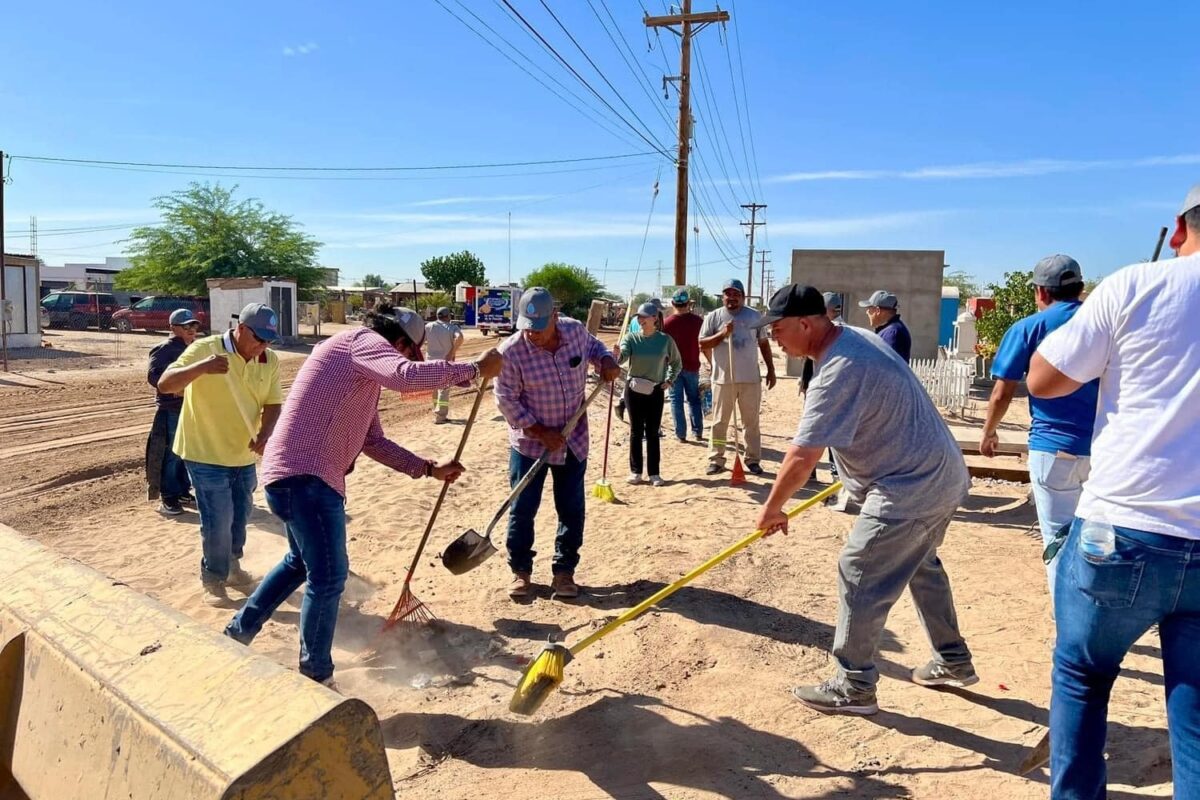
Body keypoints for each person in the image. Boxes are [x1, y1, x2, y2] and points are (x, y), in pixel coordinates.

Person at [1027, 184, 1200, 799]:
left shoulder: (1134, 285)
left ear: (1178, 230)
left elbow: (1044, 379)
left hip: (1125, 527)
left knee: (1082, 674)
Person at [225, 307, 503, 687]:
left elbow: (373, 441)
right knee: (328, 578)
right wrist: (473, 369)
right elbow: (405, 378)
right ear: (400, 342)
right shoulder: (361, 342)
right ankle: (316, 675)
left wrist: (428, 468)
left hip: (291, 476)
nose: (407, 360)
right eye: (409, 352)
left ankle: (238, 632)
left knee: (298, 563)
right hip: (307, 478)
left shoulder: (358, 371)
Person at [755, 283, 975, 715]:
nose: (772, 338)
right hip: (941, 476)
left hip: (910, 487)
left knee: (858, 569)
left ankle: (853, 685)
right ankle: (953, 660)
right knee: (919, 565)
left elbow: (802, 456)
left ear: (805, 323)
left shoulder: (839, 368)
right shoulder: (855, 337)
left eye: (777, 329)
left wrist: (772, 506)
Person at [981, 254, 1098, 609]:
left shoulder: (1029, 328)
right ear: (1079, 287)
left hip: (1053, 446)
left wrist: (989, 432)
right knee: (1096, 539)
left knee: (1059, 538)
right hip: (1103, 447)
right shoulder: (1104, 325)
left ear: (1041, 292)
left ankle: (1069, 623)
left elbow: (1002, 391)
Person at [494, 287, 621, 600]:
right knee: (522, 509)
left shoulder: (575, 332)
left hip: (573, 440)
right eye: (527, 327)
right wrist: (539, 431)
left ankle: (564, 572)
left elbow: (596, 348)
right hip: (529, 445)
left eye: (539, 328)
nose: (532, 335)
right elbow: (505, 400)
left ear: (554, 316)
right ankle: (521, 573)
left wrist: (605, 362)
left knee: (571, 509)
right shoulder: (510, 352)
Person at [157, 303, 284, 604]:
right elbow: (165, 384)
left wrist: (265, 434)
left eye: (269, 340)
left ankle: (232, 565)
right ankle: (213, 576)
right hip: (204, 452)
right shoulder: (206, 349)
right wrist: (202, 368)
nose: (262, 346)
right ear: (240, 328)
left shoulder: (269, 359)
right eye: (258, 338)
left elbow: (274, 403)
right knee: (218, 519)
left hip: (243, 454)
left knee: (240, 518)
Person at [699, 278, 776, 476]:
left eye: (736, 294)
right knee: (719, 423)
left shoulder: (754, 316)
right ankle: (716, 458)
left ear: (742, 296)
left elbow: (764, 344)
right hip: (723, 379)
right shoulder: (714, 317)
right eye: (728, 294)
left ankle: (752, 459)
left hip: (750, 379)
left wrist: (771, 369)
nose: (732, 298)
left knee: (751, 423)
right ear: (723, 296)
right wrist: (722, 334)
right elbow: (703, 344)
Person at [145, 308, 201, 516]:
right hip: (171, 410)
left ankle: (182, 491)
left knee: (185, 452)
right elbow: (154, 377)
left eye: (194, 325)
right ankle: (168, 496)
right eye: (186, 326)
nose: (191, 330)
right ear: (172, 328)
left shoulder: (194, 349)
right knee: (171, 453)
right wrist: (175, 389)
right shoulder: (164, 350)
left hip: (190, 408)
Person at [618, 302, 682, 486]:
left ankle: (654, 473)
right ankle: (636, 472)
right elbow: (622, 357)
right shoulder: (631, 338)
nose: (641, 319)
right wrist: (616, 355)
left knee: (653, 432)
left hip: (655, 390)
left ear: (655, 318)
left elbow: (677, 363)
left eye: (645, 316)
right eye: (639, 316)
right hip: (634, 389)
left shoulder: (665, 340)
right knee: (636, 431)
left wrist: (669, 380)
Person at [801, 292, 844, 487]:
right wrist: (804, 381)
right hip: (816, 385)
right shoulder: (821, 329)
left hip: (830, 390)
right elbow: (809, 359)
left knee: (829, 434)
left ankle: (836, 477)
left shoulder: (839, 330)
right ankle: (809, 473)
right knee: (811, 431)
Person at [663, 289, 705, 442]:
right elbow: (704, 344)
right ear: (688, 303)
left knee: (676, 401)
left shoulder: (666, 324)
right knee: (694, 399)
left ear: (673, 303)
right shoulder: (699, 322)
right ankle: (698, 431)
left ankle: (681, 434)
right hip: (693, 367)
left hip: (673, 368)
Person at [425, 306, 464, 424]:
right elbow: (460, 338)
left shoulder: (428, 326)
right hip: (444, 362)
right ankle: (440, 417)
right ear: (448, 316)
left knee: (435, 387)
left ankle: (436, 411)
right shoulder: (452, 328)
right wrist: (451, 353)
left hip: (430, 362)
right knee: (444, 388)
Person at [859, 290, 912, 363]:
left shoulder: (892, 333)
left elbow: (888, 366)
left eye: (869, 308)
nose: (867, 312)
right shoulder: (891, 330)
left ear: (877, 310)